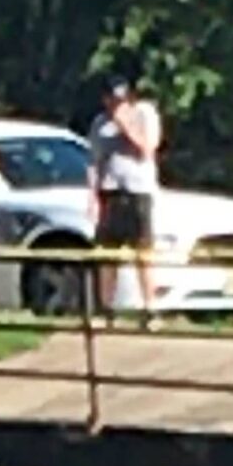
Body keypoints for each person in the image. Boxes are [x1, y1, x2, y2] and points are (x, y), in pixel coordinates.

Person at [86, 72, 162, 320]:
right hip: (111, 193)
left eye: (122, 99)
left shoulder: (144, 114)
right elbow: (94, 163)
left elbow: (147, 149)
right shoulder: (99, 124)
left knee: (144, 253)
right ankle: (106, 309)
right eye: (113, 101)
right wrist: (92, 197)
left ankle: (150, 309)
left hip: (138, 192)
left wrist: (126, 125)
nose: (117, 105)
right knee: (108, 254)